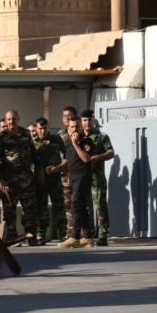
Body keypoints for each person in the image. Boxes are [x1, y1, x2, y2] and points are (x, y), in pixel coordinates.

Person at [0, 108, 43, 245]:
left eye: (14, 119)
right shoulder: (1, 137)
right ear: (6, 120)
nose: (11, 121)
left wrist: (39, 172)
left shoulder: (26, 134)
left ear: (18, 119)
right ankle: (11, 238)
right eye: (9, 119)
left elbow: (34, 155)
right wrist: (0, 179)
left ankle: (30, 236)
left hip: (27, 180)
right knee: (9, 211)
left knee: (30, 210)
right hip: (10, 182)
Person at [81, 109, 115, 246]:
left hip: (97, 178)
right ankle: (87, 234)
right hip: (82, 178)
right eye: (84, 120)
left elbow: (111, 152)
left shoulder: (101, 136)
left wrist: (98, 157)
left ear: (93, 120)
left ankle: (102, 235)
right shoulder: (77, 137)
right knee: (85, 207)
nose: (87, 122)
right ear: (81, 121)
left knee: (100, 207)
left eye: (89, 120)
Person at [60, 114, 95, 247]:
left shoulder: (86, 141)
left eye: (77, 127)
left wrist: (76, 143)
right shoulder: (68, 141)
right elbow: (69, 161)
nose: (74, 129)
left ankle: (74, 236)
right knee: (80, 206)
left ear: (81, 127)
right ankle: (87, 236)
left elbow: (86, 158)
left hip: (82, 176)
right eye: (72, 127)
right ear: (68, 128)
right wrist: (57, 168)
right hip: (72, 177)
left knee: (75, 204)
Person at [33, 116, 66, 244]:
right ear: (36, 129)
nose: (43, 131)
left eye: (45, 128)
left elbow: (67, 156)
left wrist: (58, 168)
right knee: (42, 208)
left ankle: (63, 234)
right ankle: (41, 235)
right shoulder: (32, 142)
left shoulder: (56, 139)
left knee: (59, 207)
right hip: (40, 180)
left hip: (55, 179)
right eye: (40, 129)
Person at [58, 106, 78, 235]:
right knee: (66, 205)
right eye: (64, 116)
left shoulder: (79, 133)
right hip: (64, 175)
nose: (66, 118)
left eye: (69, 116)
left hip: (77, 174)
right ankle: (69, 232)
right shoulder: (59, 135)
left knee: (78, 203)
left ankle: (82, 231)